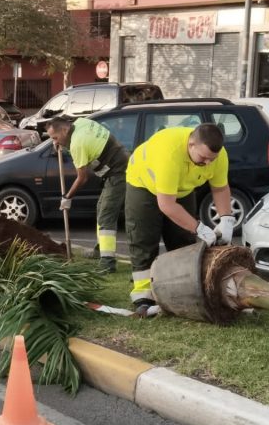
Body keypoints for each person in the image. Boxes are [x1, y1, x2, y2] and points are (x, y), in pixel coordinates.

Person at [124, 123, 235, 314]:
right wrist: (199, 228)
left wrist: (226, 219)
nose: (208, 163)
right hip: (143, 184)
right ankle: (143, 295)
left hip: (182, 188)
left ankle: (183, 288)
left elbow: (220, 188)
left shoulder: (218, 156)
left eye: (212, 159)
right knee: (144, 237)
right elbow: (166, 205)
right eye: (203, 158)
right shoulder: (170, 154)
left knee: (182, 239)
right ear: (191, 144)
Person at [46, 116, 128, 273]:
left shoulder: (77, 144)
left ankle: (108, 263)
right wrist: (62, 145)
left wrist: (67, 197)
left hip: (119, 172)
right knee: (101, 209)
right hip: (118, 164)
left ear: (64, 130)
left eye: (55, 138)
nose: (55, 142)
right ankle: (100, 250)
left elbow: (82, 177)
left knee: (106, 215)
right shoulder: (81, 123)